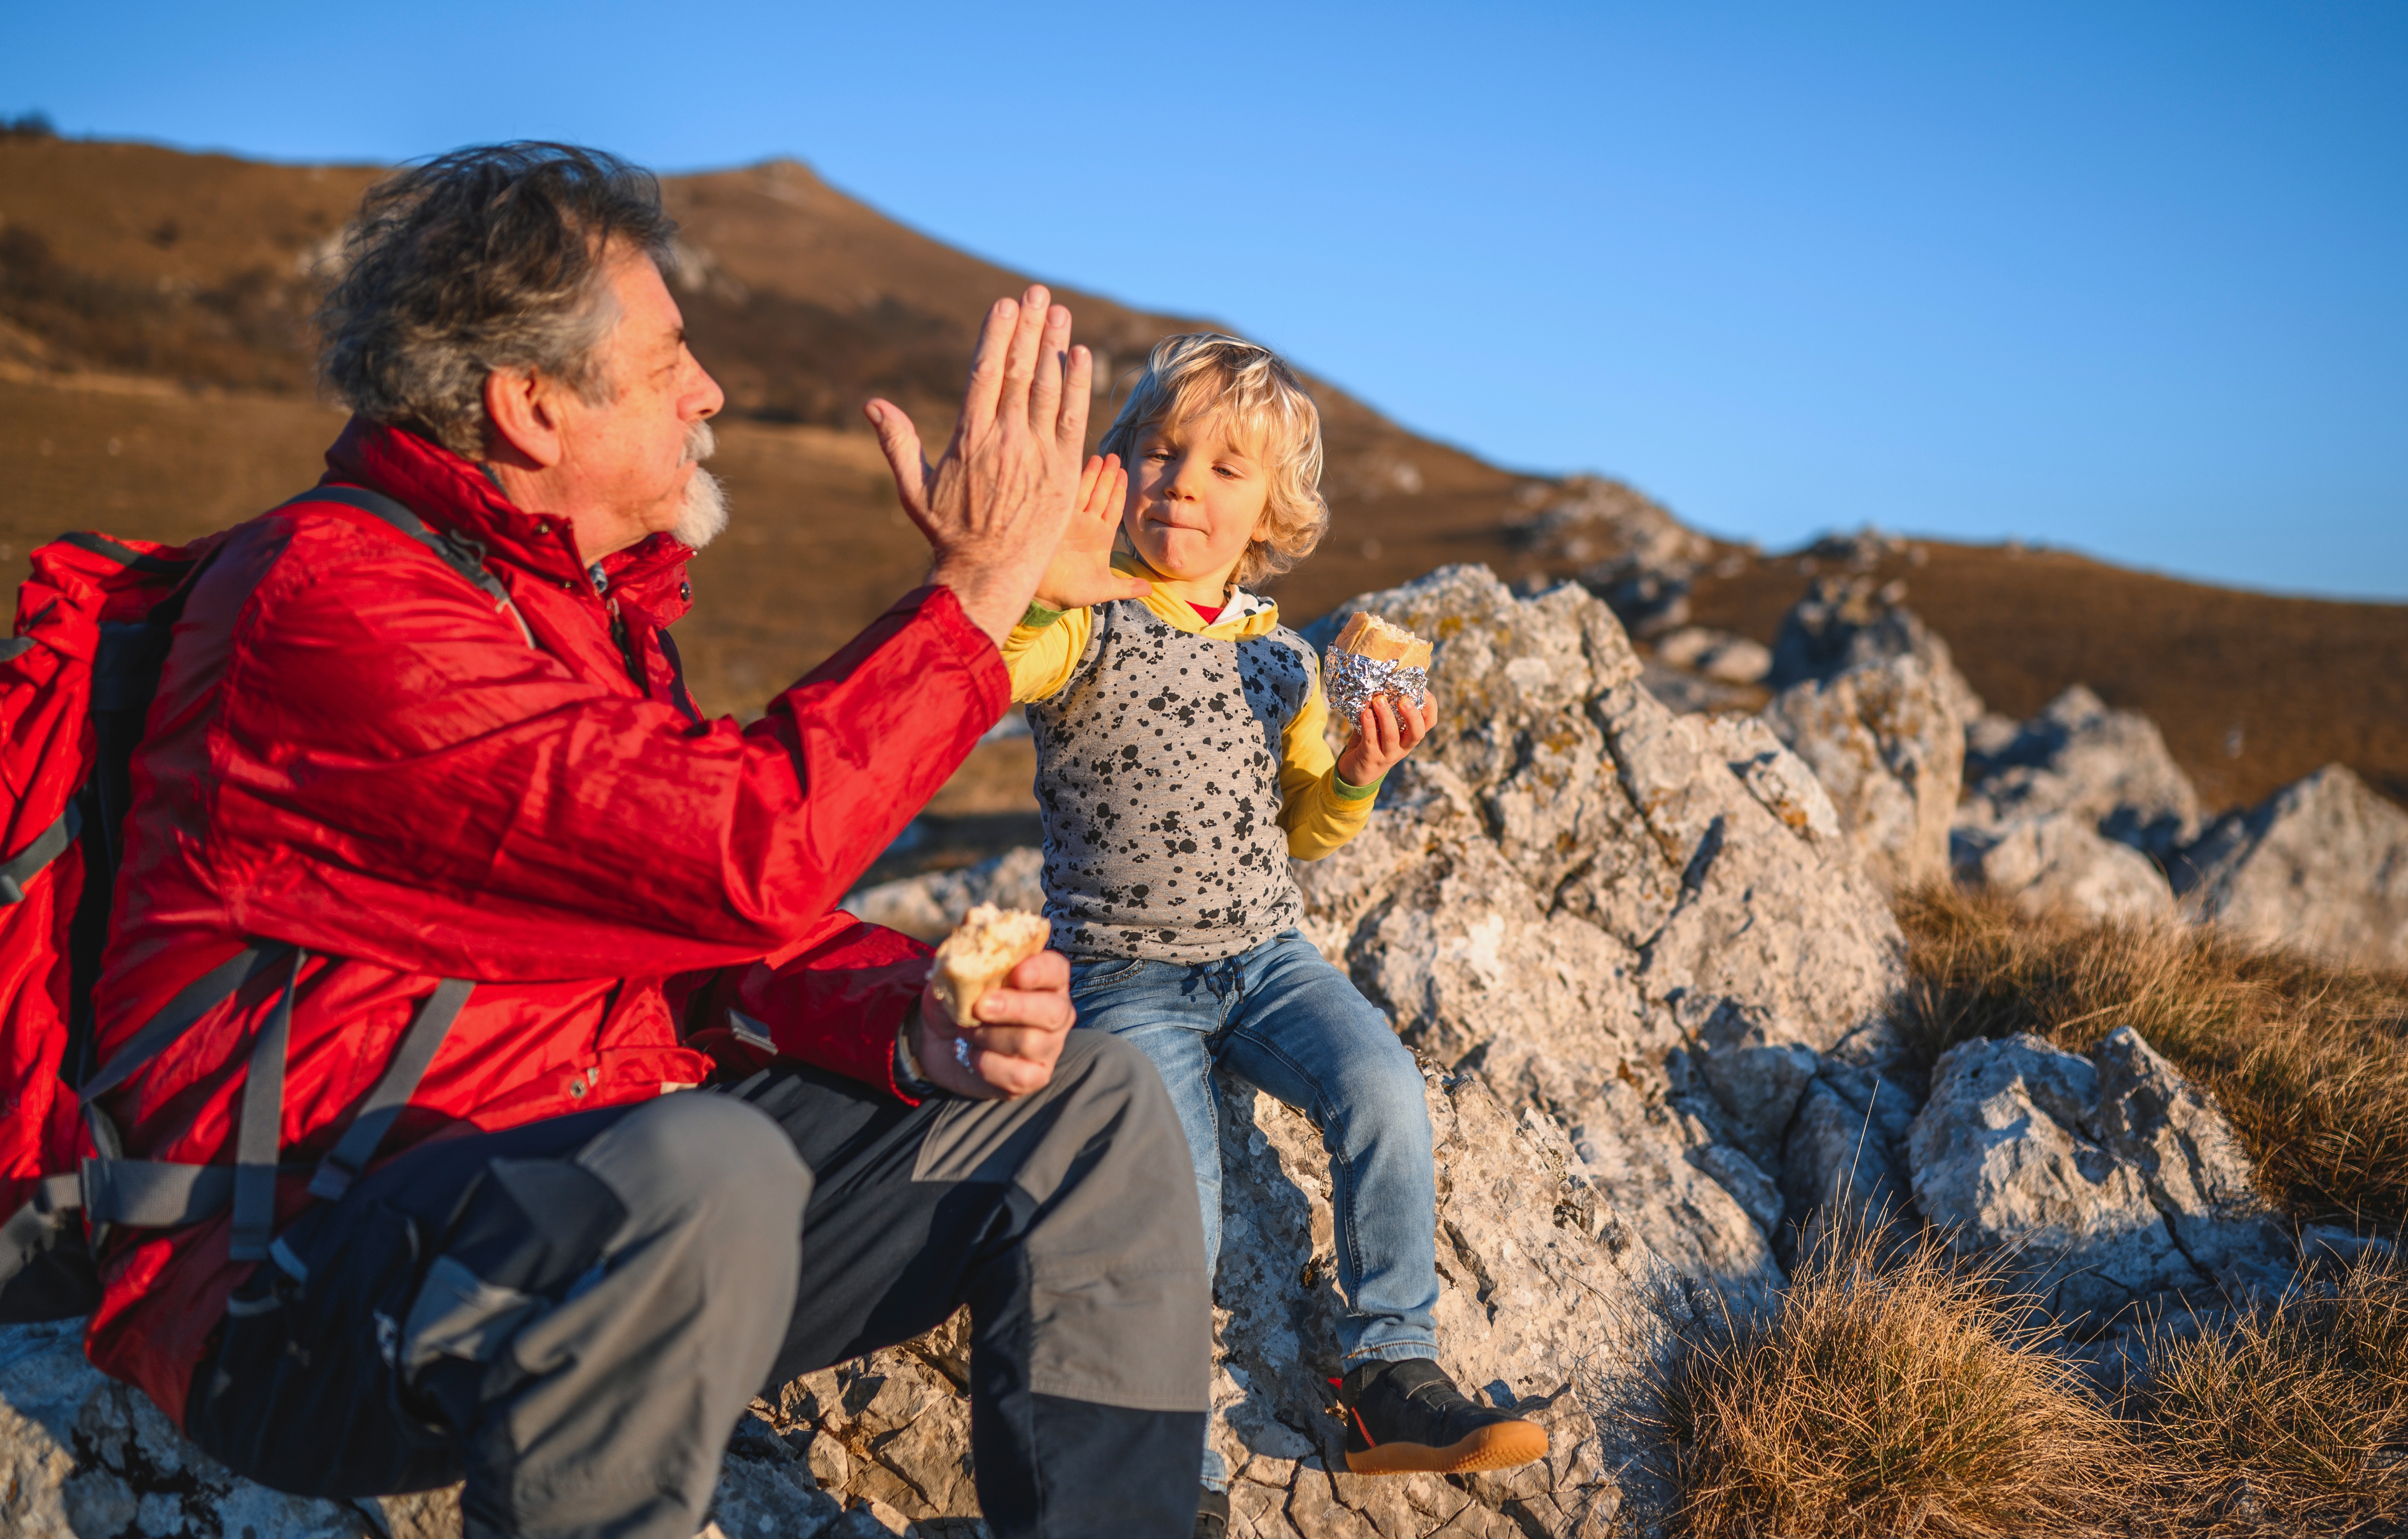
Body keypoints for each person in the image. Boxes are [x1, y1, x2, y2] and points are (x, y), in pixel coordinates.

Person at [81, 144, 1211, 1539]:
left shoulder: (574, 613)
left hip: (606, 1209)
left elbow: (710, 934)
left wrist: (909, 1024)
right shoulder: (335, 607)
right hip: (301, 1280)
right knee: (702, 1167)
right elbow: (746, 854)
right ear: (531, 405)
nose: (711, 393)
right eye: (672, 357)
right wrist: (976, 593)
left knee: (1086, 1107)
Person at [1001, 334, 1551, 1506]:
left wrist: (1356, 770)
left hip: (1265, 958)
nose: (1183, 481)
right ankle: (1173, 1477)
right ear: (1121, 470)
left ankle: (1391, 1376)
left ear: (1271, 513)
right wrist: (1032, 575)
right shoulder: (1082, 620)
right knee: (1173, 1210)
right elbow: (987, 673)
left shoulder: (1281, 661)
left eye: (1224, 467)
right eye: (1160, 452)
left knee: (1386, 1093)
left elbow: (1306, 828)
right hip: (1119, 977)